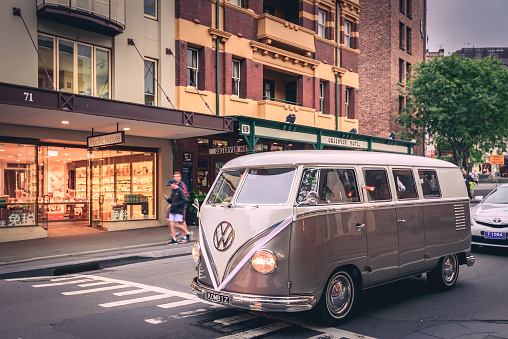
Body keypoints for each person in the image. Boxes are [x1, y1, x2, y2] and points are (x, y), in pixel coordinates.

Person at [164, 179, 189, 244]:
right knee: (172, 224)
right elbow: (172, 201)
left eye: (170, 185)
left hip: (178, 210)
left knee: (176, 225)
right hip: (173, 210)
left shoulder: (180, 191)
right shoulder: (173, 192)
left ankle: (187, 232)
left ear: (173, 183)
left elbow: (185, 200)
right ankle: (174, 239)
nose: (170, 186)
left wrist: (175, 204)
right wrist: (167, 199)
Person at [173, 171, 193, 240]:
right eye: (175, 176)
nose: (176, 178)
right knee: (176, 221)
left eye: (177, 176)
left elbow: (186, 195)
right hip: (176, 206)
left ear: (180, 178)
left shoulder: (182, 185)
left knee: (182, 221)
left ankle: (184, 235)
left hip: (182, 206)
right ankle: (182, 233)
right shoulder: (174, 185)